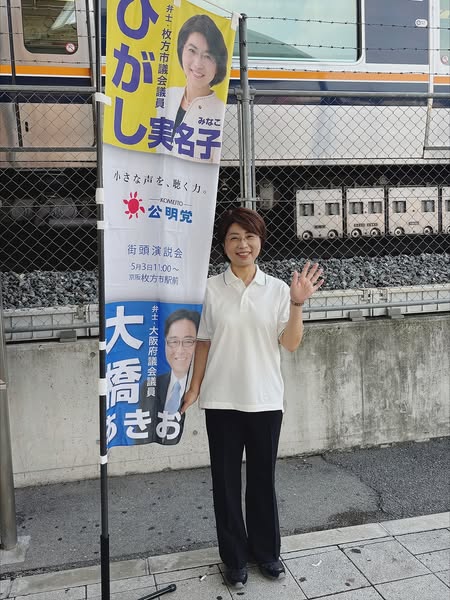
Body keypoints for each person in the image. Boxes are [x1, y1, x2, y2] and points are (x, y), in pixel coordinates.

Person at [181, 207, 324, 587]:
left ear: (260, 241)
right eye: (234, 238)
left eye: (249, 237)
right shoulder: (209, 289)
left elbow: (290, 344)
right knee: (225, 483)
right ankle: (234, 558)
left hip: (265, 400)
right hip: (221, 401)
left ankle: (267, 553)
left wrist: (297, 304)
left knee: (262, 480)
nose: (242, 244)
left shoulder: (278, 290)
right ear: (223, 245)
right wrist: (194, 387)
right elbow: (202, 341)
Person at [164, 14, 229, 164]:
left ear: (218, 65)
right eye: (192, 51)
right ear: (181, 51)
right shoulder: (166, 96)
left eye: (208, 56)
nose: (198, 64)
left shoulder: (218, 110)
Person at [139, 308, 200, 445]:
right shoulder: (148, 385)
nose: (180, 350)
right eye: (173, 341)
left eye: (188, 341)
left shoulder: (199, 381)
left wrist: (194, 389)